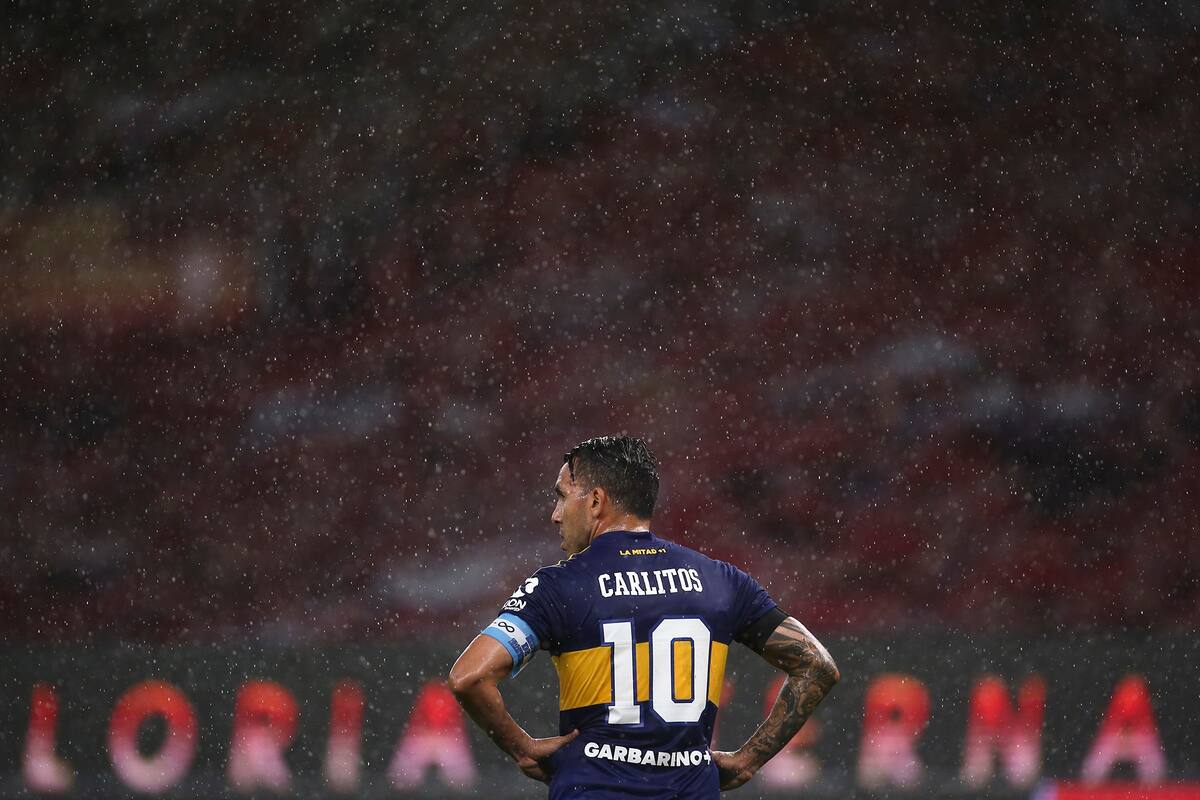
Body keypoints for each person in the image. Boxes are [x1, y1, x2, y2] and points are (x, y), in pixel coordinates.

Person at [448, 435, 839, 798]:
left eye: (561, 497)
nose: (555, 515)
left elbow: (469, 676)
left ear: (596, 501)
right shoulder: (721, 581)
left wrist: (523, 748)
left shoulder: (559, 586)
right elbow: (816, 666)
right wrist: (748, 760)